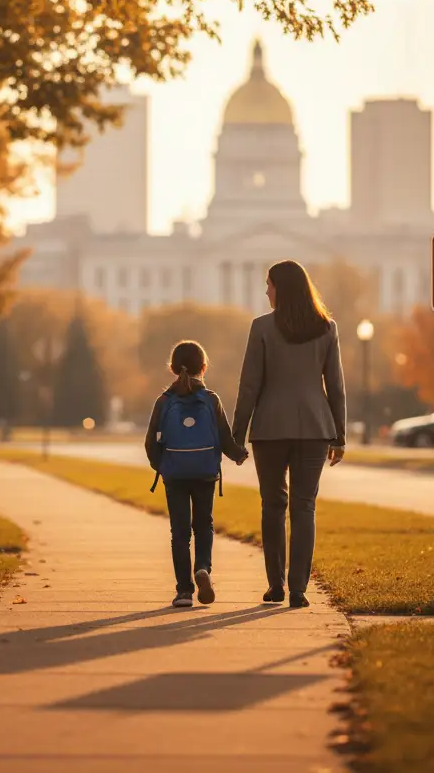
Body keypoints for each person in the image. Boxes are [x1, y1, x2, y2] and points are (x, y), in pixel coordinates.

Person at [231, 260, 346, 609]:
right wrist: (339, 436)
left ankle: (275, 584)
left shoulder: (262, 328)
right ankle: (298, 590)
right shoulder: (327, 329)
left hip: (269, 428)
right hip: (315, 428)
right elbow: (336, 387)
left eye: (269, 284)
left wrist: (236, 436)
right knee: (304, 507)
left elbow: (249, 386)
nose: (266, 290)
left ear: (282, 288)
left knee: (273, 505)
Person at [145, 340, 249, 608]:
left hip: (175, 475)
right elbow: (225, 438)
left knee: (179, 532)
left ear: (172, 368)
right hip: (204, 473)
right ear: (204, 367)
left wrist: (163, 466)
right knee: (203, 525)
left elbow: (150, 443)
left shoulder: (164, 401)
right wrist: (238, 454)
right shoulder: (211, 400)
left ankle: (183, 591)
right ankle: (202, 567)